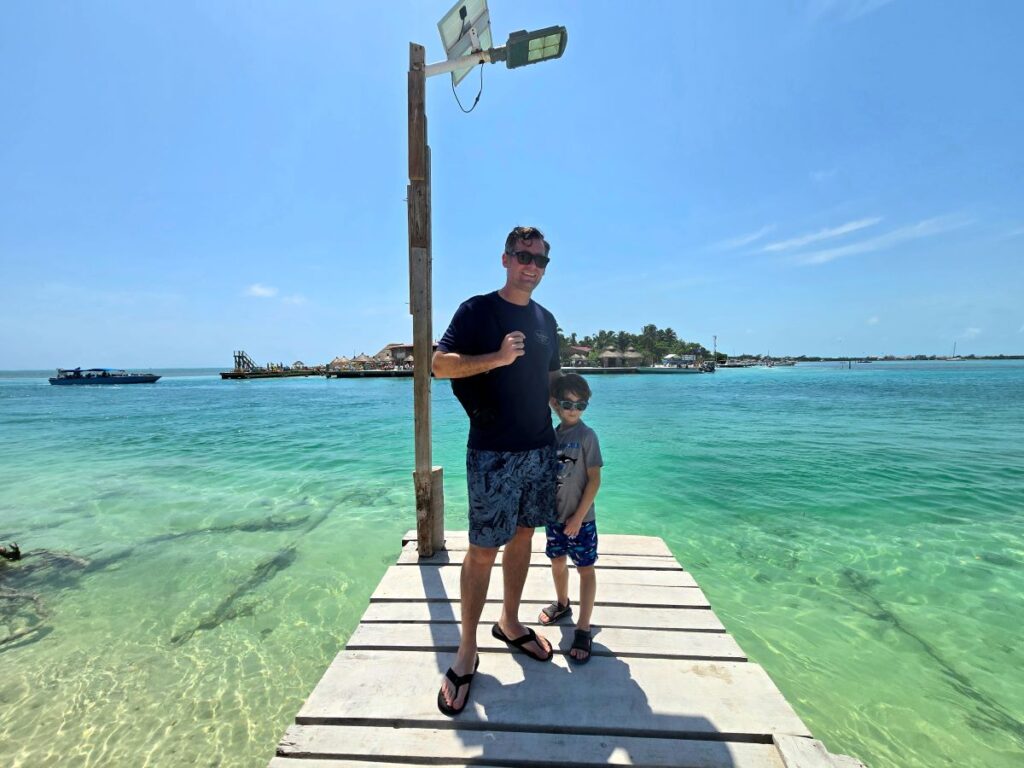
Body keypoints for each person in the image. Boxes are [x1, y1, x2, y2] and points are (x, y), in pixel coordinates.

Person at [432, 225, 563, 716]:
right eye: (523, 256)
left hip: (539, 448)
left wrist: (570, 417)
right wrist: (498, 358)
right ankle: (467, 652)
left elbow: (549, 379)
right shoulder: (477, 310)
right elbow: (440, 366)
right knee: (483, 550)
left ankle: (509, 623)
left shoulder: (547, 319)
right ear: (505, 259)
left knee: (525, 536)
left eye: (541, 260)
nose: (532, 266)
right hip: (492, 452)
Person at [537, 373, 603, 663]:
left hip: (582, 520)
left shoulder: (588, 436)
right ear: (555, 405)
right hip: (555, 517)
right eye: (568, 404)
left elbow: (594, 481)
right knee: (557, 561)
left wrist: (578, 517)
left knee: (585, 569)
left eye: (581, 405)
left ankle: (584, 627)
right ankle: (562, 603)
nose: (574, 410)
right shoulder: (551, 436)